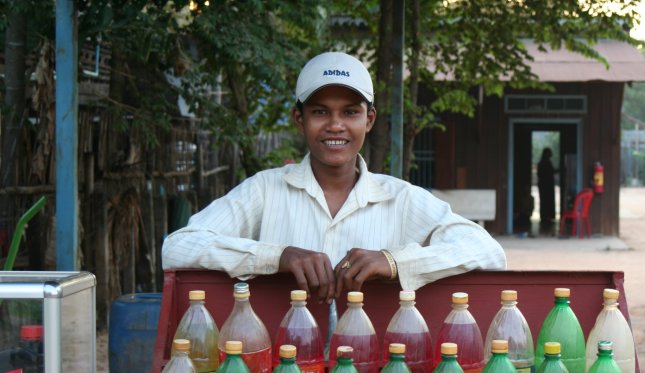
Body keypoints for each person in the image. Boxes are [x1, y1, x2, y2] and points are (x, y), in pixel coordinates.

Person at [162, 51, 506, 303]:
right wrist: (277, 257)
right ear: (300, 119)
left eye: (350, 112)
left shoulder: (400, 199)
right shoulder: (265, 190)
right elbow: (177, 247)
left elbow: (488, 251)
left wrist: (394, 261)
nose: (336, 125)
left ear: (369, 120)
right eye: (320, 111)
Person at [537, 147, 558, 236]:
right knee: (546, 201)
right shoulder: (544, 163)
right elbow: (545, 173)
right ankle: (546, 217)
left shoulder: (542, 163)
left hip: (545, 185)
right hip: (546, 185)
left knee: (545, 201)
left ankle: (546, 217)